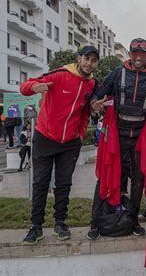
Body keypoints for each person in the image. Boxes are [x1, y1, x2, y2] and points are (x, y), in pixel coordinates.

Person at [87, 38, 146, 240]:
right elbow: (98, 93)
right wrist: (95, 103)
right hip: (117, 133)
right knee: (106, 176)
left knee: (139, 179)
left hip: (141, 135)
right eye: (134, 53)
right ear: (130, 54)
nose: (138, 57)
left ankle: (132, 219)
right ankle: (96, 221)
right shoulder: (117, 73)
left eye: (142, 53)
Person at [19, 45, 99, 245]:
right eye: (86, 59)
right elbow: (26, 85)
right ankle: (35, 226)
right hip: (45, 137)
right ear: (78, 58)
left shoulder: (92, 84)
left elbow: (84, 113)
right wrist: (34, 88)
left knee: (64, 185)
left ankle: (60, 223)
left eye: (94, 60)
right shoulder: (60, 75)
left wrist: (80, 136)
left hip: (70, 143)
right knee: (40, 183)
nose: (89, 64)